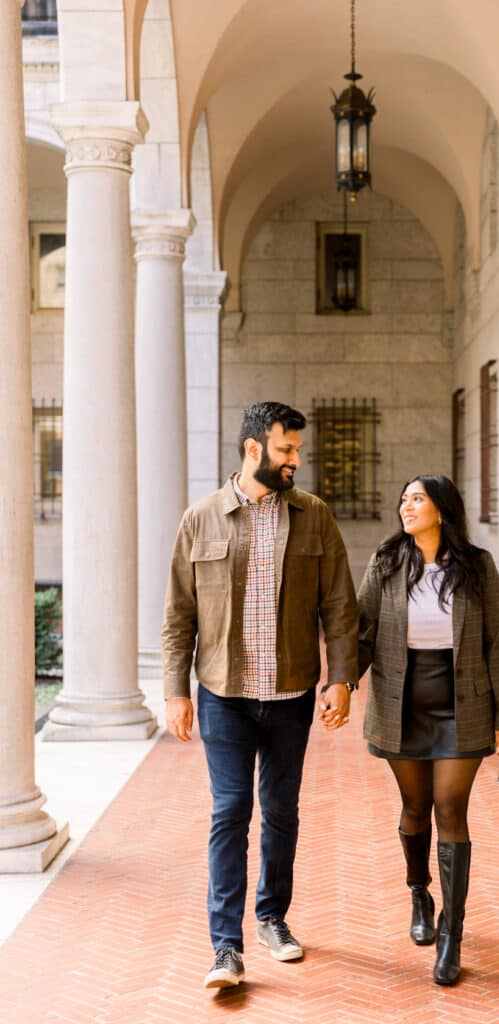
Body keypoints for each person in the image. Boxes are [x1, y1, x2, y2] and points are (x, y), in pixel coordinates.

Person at [161, 401, 358, 989]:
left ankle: (272, 917)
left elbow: (340, 607)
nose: (296, 459)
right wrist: (175, 691)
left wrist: (341, 678)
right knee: (229, 812)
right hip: (223, 693)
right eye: (286, 449)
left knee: (281, 812)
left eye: (297, 449)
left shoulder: (314, 516)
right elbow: (178, 616)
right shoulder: (201, 519)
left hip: (291, 693)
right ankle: (225, 946)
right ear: (254, 449)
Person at [357, 474, 499, 986]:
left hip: (463, 707)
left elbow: (498, 641)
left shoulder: (476, 566)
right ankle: (419, 892)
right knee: (414, 807)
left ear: (442, 510)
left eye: (417, 499)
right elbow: (361, 631)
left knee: (451, 808)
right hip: (400, 705)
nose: (406, 507)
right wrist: (339, 684)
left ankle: (453, 932)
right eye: (403, 499)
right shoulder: (386, 564)